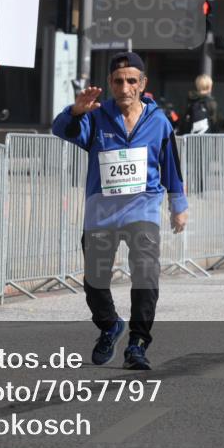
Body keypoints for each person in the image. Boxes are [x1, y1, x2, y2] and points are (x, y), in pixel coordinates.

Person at [52, 51, 188, 370]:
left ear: (142, 84)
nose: (124, 87)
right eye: (117, 81)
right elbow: (62, 131)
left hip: (143, 209)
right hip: (102, 212)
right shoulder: (97, 116)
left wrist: (178, 205)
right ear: (110, 84)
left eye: (130, 80)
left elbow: (171, 166)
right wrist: (75, 111)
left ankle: (138, 344)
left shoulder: (159, 122)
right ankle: (110, 324)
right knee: (95, 282)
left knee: (145, 275)